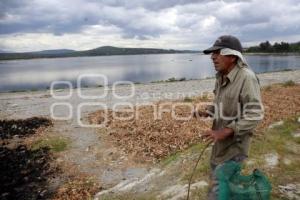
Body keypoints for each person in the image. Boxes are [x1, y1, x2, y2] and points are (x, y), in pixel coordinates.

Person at [194, 35, 264, 199]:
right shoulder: (221, 77)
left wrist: (226, 131)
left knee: (218, 189)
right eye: (212, 54)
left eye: (217, 53)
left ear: (232, 56)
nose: (212, 57)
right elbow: (222, 103)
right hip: (220, 146)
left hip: (234, 148)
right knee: (224, 185)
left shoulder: (247, 77)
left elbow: (255, 113)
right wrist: (208, 111)